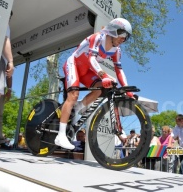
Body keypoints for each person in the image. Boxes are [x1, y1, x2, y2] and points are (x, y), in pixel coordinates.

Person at [54, 18, 134, 150]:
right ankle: (60, 135)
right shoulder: (98, 37)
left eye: (127, 37)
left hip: (86, 70)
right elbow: (91, 58)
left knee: (100, 90)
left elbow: (119, 70)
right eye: (123, 34)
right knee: (73, 95)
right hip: (74, 64)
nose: (124, 39)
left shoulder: (117, 50)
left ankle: (77, 108)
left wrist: (127, 90)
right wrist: (103, 75)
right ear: (114, 30)